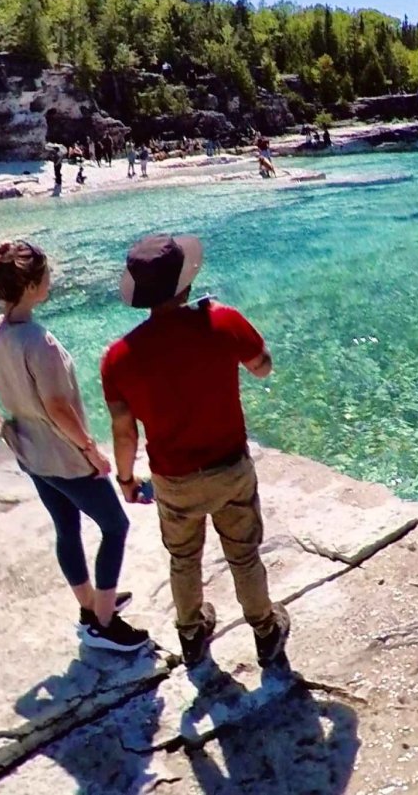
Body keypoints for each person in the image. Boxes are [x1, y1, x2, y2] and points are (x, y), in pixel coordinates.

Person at [100, 235, 290, 669]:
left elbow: (124, 432)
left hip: (173, 480)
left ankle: (191, 634)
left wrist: (126, 480)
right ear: (186, 284)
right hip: (230, 468)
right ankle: (264, 629)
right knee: (243, 554)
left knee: (183, 559)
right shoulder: (222, 320)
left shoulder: (117, 359)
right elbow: (263, 367)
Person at [0, 241, 150, 653]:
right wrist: (91, 450)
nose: (52, 278)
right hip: (65, 458)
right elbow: (58, 407)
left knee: (66, 527)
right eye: (46, 274)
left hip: (31, 454)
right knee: (115, 526)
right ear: (31, 285)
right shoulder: (39, 342)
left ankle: (90, 607)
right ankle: (103, 624)